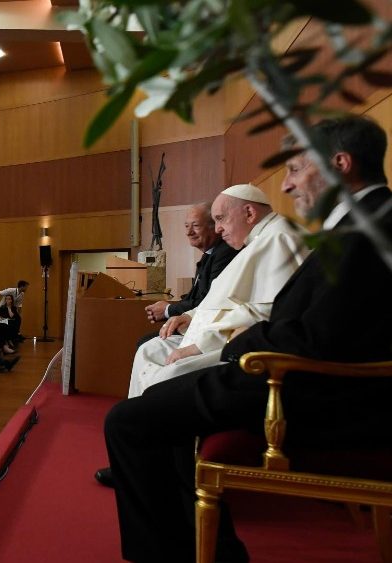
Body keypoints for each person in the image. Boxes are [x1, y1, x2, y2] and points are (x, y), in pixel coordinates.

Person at [104, 115, 392, 563]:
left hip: (310, 390)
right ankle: (211, 551)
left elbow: (317, 336)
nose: (288, 185)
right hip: (307, 377)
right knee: (161, 405)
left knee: (129, 421)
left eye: (295, 169)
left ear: (339, 164)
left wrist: (236, 348)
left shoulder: (367, 232)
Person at [126, 184, 308, 399]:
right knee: (150, 350)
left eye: (221, 219)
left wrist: (198, 347)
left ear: (249, 213)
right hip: (211, 336)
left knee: (168, 376)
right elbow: (223, 301)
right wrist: (190, 316)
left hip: (231, 344)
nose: (218, 229)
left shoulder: (279, 239)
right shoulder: (256, 242)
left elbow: (265, 312)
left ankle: (142, 416)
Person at [143, 203, 240, 327]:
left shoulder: (225, 253)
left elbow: (209, 301)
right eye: (186, 226)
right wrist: (167, 307)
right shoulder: (208, 255)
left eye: (195, 226)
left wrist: (168, 310)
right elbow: (194, 297)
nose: (189, 232)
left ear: (215, 227)